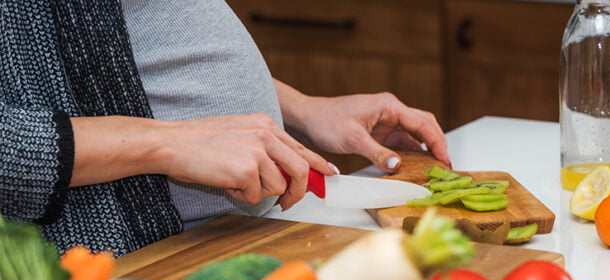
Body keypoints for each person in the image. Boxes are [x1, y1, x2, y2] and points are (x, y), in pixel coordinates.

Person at [0, 0, 450, 257]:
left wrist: (299, 109)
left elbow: (140, 44)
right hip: (126, 259)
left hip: (236, 233)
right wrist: (165, 143)